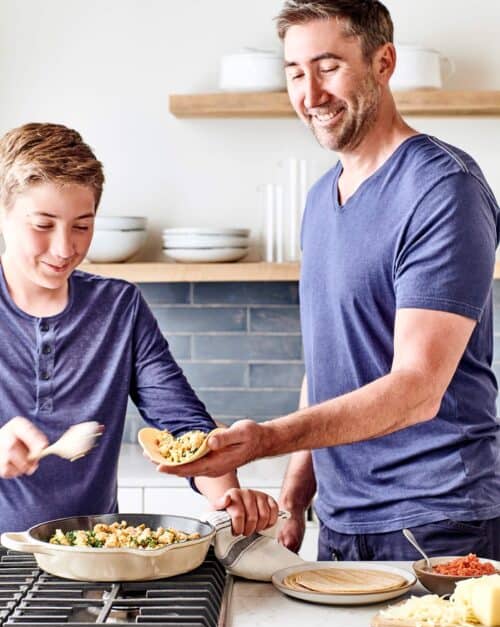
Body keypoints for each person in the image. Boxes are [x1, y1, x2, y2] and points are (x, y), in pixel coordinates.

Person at [159, 0, 500, 562]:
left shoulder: (443, 189)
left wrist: (269, 439)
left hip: (436, 519)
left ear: (383, 62)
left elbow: (418, 388)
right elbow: (328, 363)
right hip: (342, 522)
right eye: (295, 72)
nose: (310, 95)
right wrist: (297, 492)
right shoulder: (321, 198)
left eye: (329, 66)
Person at [0, 122, 278, 536]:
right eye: (42, 225)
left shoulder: (118, 308)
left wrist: (226, 498)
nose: (64, 249)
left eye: (81, 225)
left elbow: (183, 424)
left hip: (91, 560)